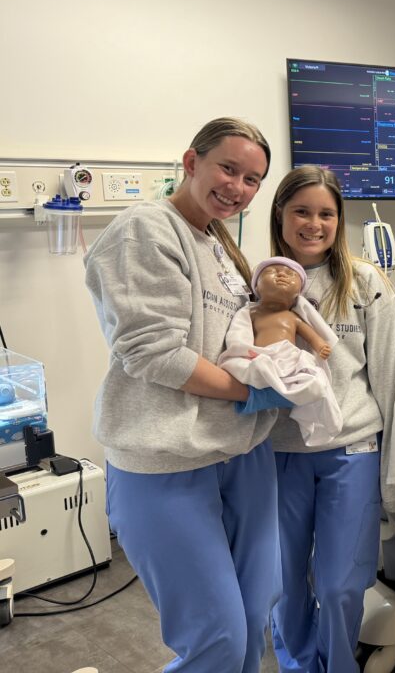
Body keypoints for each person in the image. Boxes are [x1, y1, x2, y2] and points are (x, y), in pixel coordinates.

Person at [84, 117, 283, 672]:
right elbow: (154, 353)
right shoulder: (145, 230)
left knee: (250, 623)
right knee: (215, 637)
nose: (238, 188)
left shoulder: (217, 241)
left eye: (253, 180)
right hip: (165, 461)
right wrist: (255, 392)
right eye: (228, 168)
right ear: (191, 162)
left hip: (240, 453)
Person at [266, 166, 395, 673]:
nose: (314, 223)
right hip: (278, 451)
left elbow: (388, 374)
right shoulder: (253, 282)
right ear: (280, 215)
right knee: (283, 580)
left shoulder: (365, 282)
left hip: (353, 449)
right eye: (301, 210)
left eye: (326, 213)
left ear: (339, 219)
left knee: (342, 583)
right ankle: (299, 666)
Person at [219, 257, 345, 448]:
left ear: (298, 293)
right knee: (252, 368)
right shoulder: (250, 313)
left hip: (289, 359)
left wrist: (320, 346)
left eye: (291, 274)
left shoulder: (293, 317)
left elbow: (311, 335)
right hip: (260, 356)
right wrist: (245, 351)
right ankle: (259, 394)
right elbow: (238, 335)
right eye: (272, 271)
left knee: (317, 381)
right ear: (257, 287)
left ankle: (324, 419)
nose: (282, 274)